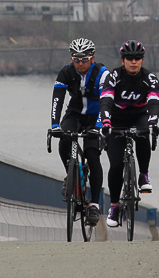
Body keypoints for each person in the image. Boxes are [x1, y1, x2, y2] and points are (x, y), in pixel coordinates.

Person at [100, 40, 159, 228]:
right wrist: (106, 121)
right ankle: (115, 207)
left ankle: (143, 174)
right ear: (123, 60)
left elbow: (154, 101)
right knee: (116, 164)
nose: (133, 62)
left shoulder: (149, 78)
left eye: (137, 58)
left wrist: (152, 121)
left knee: (143, 134)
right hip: (117, 119)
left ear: (142, 60)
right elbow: (106, 100)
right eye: (129, 58)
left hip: (139, 117)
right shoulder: (113, 76)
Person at [50, 38, 110, 226]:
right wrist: (54, 125)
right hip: (74, 115)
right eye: (76, 60)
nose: (80, 64)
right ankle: (71, 173)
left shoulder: (102, 73)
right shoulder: (66, 72)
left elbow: (105, 102)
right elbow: (57, 99)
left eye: (84, 59)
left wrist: (99, 127)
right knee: (64, 141)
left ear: (92, 58)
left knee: (93, 156)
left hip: (96, 117)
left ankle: (94, 205)